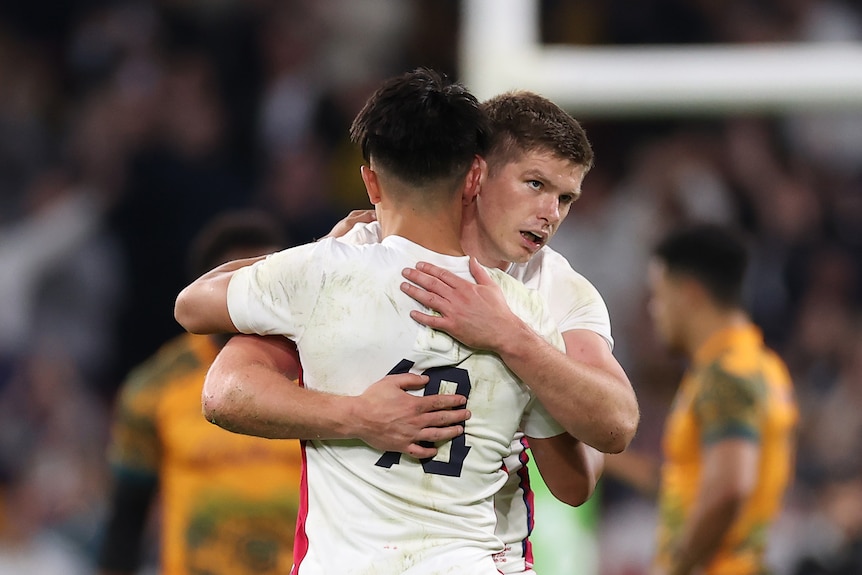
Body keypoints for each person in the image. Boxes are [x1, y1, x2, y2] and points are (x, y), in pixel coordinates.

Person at [199, 89, 639, 574]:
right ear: (476, 172)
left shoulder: (554, 291)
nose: (550, 213)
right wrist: (356, 416)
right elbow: (228, 389)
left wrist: (511, 340)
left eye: (565, 198)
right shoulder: (356, 252)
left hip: (481, 556)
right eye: (535, 184)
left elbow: (603, 439)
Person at [97, 210, 302, 575]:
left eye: (266, 280)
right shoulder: (155, 388)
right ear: (209, 293)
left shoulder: (319, 372)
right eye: (241, 284)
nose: (255, 296)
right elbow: (128, 515)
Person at [604, 223, 798, 575]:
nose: (653, 310)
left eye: (659, 295)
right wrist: (603, 458)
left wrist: (675, 568)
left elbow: (729, 488)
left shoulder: (727, 374)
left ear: (689, 294)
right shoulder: (758, 367)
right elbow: (694, 483)